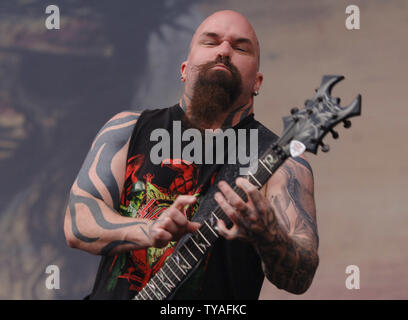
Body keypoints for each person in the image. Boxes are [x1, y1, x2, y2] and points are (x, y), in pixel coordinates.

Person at [64, 10, 319, 300]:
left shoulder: (281, 161)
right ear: (184, 68)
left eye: (239, 47)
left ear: (257, 82)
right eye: (211, 42)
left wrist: (268, 235)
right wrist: (149, 230)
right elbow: (77, 222)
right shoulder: (128, 128)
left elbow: (301, 275)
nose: (224, 51)